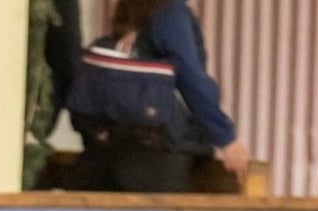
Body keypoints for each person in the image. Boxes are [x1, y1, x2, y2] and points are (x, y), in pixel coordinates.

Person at [69, 0, 250, 193]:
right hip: (157, 154)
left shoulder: (131, 12)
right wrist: (226, 138)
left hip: (102, 154)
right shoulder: (171, 13)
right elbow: (190, 78)